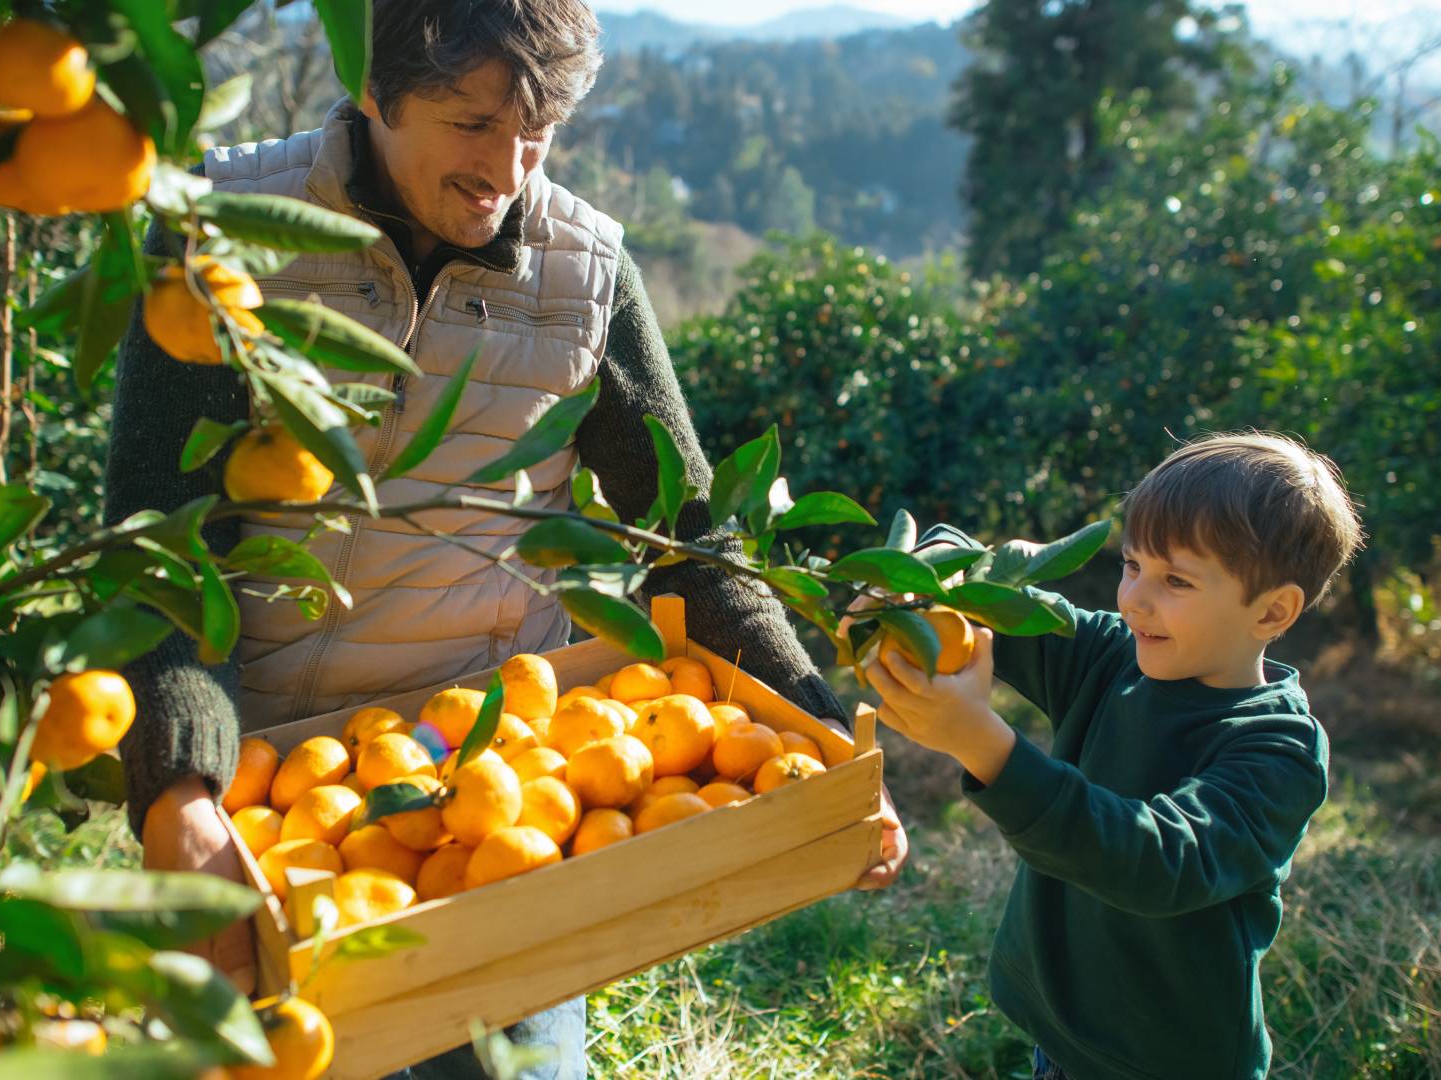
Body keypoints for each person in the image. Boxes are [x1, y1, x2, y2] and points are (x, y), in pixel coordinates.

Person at [102, 1, 906, 1075]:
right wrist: (180, 786)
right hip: (281, 792)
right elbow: (159, 546)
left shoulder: (585, 275)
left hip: (495, 781)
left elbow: (691, 539)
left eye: (538, 130)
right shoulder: (225, 234)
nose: (508, 169)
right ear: (373, 92)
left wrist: (822, 736)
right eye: (473, 122)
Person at [864, 432, 1362, 1080]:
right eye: (1132, 564)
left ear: (1273, 611)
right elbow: (994, 599)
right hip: (1063, 1037)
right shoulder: (1112, 655)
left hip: (1169, 1063)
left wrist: (980, 742)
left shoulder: (1278, 751)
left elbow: (1158, 863)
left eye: (1175, 580)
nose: (1134, 599)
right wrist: (908, 585)